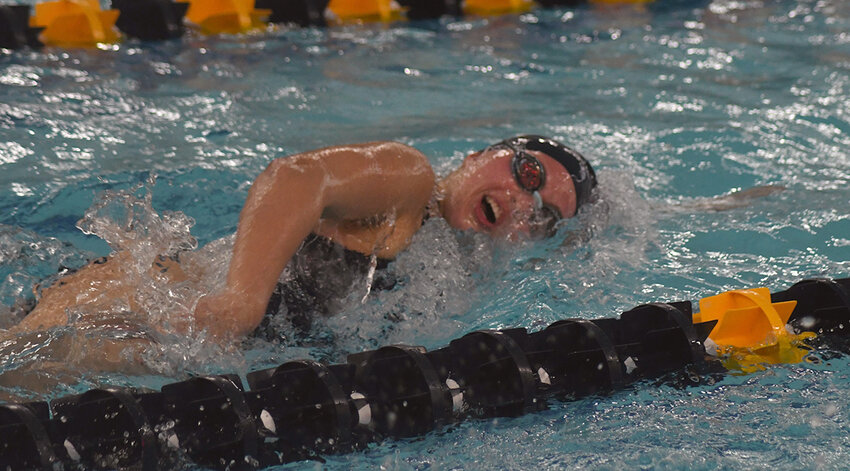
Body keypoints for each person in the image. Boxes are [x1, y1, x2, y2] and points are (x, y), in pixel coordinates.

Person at [8, 135, 597, 345]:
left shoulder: (448, 265)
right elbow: (297, 176)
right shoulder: (409, 180)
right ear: (478, 156)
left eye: (543, 218)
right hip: (125, 311)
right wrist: (241, 300)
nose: (524, 203)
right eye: (527, 174)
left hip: (169, 335)